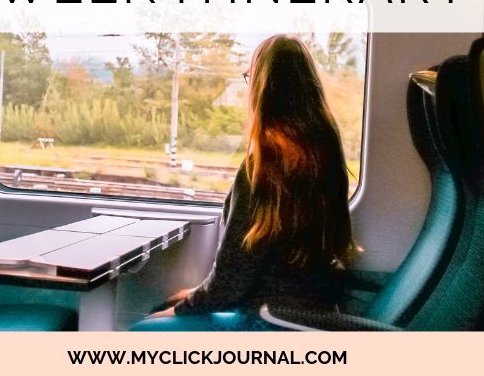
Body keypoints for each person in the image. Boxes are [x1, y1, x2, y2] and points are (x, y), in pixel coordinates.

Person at [133, 35, 356, 332]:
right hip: (307, 314)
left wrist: (177, 308)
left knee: (141, 331)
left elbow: (231, 284)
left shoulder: (263, 166)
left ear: (261, 88)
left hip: (268, 321)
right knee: (171, 307)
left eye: (249, 77)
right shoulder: (326, 155)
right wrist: (189, 298)